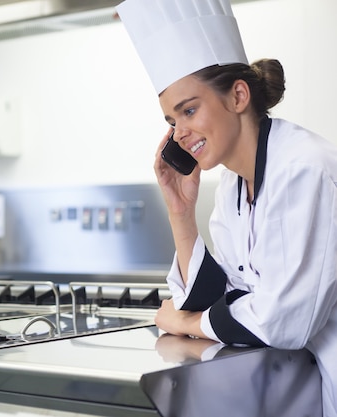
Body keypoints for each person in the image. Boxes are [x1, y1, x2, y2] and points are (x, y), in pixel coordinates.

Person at [116, 0, 337, 415]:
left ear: (238, 95)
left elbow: (282, 321)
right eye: (171, 121)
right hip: (294, 385)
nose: (179, 133)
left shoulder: (304, 168)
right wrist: (180, 212)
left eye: (189, 110)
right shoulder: (235, 184)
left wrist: (184, 323)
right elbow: (224, 296)